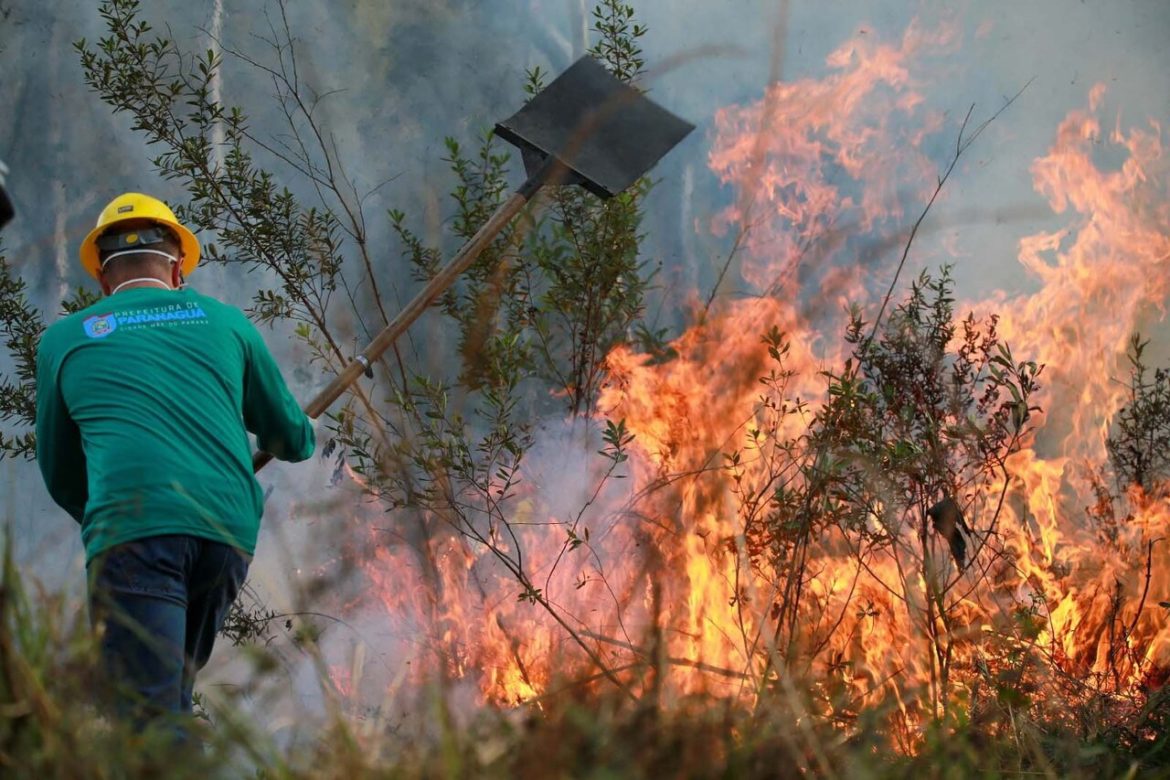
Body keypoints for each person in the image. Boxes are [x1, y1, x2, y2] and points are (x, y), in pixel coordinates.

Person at [34, 192, 315, 735]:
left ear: (102, 277)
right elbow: (291, 439)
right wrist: (305, 431)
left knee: (149, 715)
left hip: (134, 532)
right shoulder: (227, 323)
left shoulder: (64, 340)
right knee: (170, 695)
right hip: (226, 534)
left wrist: (115, 519)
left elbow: (61, 473)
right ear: (178, 265)